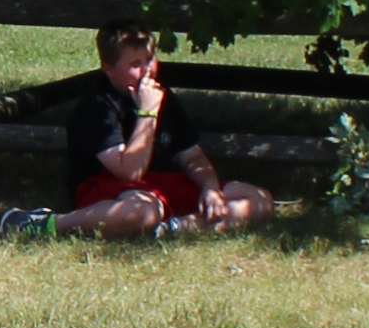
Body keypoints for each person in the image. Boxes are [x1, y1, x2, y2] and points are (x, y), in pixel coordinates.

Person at [56, 23, 284, 235]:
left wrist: (210, 189)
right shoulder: (97, 106)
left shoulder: (162, 95)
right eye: (135, 65)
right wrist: (148, 113)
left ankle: (172, 228)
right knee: (140, 213)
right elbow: (129, 172)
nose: (147, 71)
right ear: (109, 69)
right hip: (112, 189)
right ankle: (49, 223)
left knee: (259, 199)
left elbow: (191, 155)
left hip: (164, 184)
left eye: (149, 59)